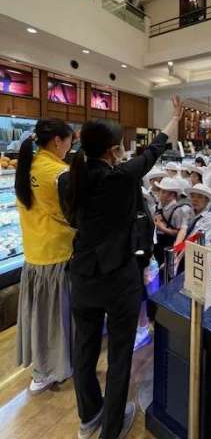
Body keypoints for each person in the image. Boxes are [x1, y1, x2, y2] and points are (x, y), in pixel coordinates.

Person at [59, 96, 183, 439]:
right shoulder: (122, 177)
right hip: (119, 279)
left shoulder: (68, 180)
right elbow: (154, 150)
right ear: (114, 150)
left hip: (82, 275)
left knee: (83, 349)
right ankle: (111, 429)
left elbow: (73, 221)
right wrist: (174, 119)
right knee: (119, 355)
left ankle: (89, 417)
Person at [15, 119, 75, 394]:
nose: (70, 147)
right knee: (56, 319)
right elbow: (71, 215)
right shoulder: (59, 172)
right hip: (57, 253)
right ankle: (54, 368)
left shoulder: (28, 165)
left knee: (39, 318)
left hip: (33, 253)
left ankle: (42, 367)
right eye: (69, 141)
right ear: (57, 141)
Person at [154, 177, 192, 264]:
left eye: (163, 191)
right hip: (159, 244)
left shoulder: (178, 211)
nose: (159, 193)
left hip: (169, 246)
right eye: (160, 191)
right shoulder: (160, 206)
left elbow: (179, 233)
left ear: (171, 195)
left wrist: (162, 228)